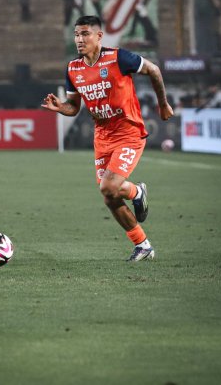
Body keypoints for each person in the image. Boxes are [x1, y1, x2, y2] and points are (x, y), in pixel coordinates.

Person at [42, 15, 173, 262]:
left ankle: (135, 193)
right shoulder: (73, 69)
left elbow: (153, 70)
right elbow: (74, 106)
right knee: (109, 196)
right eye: (76, 35)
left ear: (99, 36)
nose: (79, 39)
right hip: (102, 137)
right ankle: (143, 244)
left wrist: (163, 105)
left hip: (129, 132)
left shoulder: (118, 57)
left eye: (85, 34)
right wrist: (61, 107)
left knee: (108, 187)